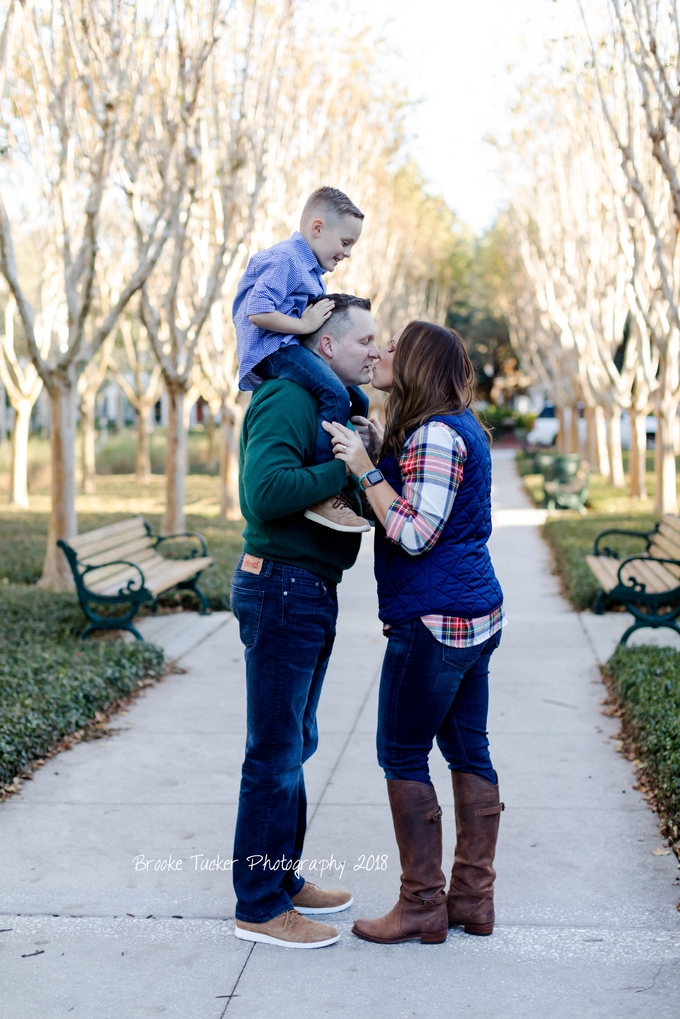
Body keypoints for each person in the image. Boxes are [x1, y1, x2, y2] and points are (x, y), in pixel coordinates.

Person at [323, 321, 506, 946]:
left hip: (434, 624)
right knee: (468, 751)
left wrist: (365, 471)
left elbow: (413, 533)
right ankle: (473, 902)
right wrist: (379, 454)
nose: (380, 351)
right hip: (471, 615)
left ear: (420, 363)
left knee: (401, 755)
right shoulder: (459, 429)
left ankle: (422, 905)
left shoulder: (434, 435)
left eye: (394, 346)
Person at [230, 294, 380, 949]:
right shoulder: (289, 398)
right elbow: (262, 492)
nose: (375, 351)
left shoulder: (335, 406)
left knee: (296, 743)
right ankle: (260, 905)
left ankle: (281, 877)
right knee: (274, 752)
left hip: (308, 588)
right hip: (282, 588)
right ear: (326, 346)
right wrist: (341, 466)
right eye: (364, 340)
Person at [232, 186, 369, 533]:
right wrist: (305, 324)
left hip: (288, 346)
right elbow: (258, 311)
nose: (347, 253)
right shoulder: (286, 260)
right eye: (346, 242)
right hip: (272, 350)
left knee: (358, 398)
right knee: (335, 394)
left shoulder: (309, 270)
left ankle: (352, 460)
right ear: (317, 228)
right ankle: (327, 492)